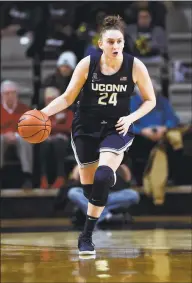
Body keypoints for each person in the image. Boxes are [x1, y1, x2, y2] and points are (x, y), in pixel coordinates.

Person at [40, 15, 156, 255]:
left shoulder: (135, 66)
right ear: (100, 44)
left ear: (124, 43)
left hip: (117, 127)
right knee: (89, 191)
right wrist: (43, 114)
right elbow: (67, 98)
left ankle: (86, 236)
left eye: (119, 42)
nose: (115, 46)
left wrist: (132, 117)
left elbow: (150, 101)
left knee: (103, 176)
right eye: (110, 42)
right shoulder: (87, 64)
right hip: (86, 128)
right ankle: (101, 190)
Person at [67, 163, 140, 225]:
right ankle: (105, 216)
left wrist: (119, 162)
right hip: (90, 197)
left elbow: (127, 179)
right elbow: (74, 178)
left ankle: (97, 214)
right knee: (73, 192)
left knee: (134, 195)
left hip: (109, 197)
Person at [0, 80, 33, 188]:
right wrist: (5, 134)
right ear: (2, 95)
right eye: (7, 93)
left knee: (25, 139)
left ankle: (27, 176)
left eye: (13, 93)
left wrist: (16, 135)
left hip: (19, 137)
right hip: (3, 137)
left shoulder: (24, 109)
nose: (10, 96)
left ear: (17, 94)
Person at [39, 87, 73, 189]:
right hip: (47, 140)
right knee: (43, 144)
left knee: (58, 142)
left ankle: (60, 177)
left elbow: (68, 127)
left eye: (53, 99)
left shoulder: (67, 112)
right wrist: (55, 126)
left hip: (65, 142)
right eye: (48, 99)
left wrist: (51, 126)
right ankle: (43, 177)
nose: (50, 101)